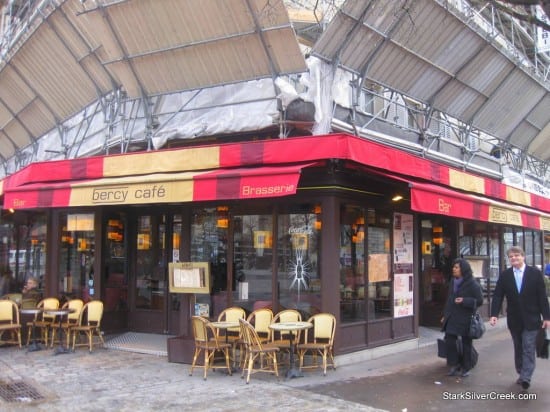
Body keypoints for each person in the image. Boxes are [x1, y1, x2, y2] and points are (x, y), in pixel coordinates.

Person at [490, 246, 550, 390]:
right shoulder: (505, 276)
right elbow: (498, 295)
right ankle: (521, 371)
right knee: (518, 346)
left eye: (517, 255)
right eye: (511, 256)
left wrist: (547, 317)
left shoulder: (534, 274)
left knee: (528, 346)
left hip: (532, 318)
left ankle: (526, 377)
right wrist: (493, 314)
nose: (514, 258)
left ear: (523, 257)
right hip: (514, 318)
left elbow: (542, 296)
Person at [441, 258, 483, 377]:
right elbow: (449, 300)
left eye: (457, 267)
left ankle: (466, 367)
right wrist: (444, 315)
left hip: (465, 317)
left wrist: (465, 301)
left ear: (463, 269)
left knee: (466, 343)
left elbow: (479, 300)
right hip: (452, 316)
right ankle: (453, 364)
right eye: (453, 267)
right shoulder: (453, 282)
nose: (454, 269)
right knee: (450, 340)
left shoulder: (473, 284)